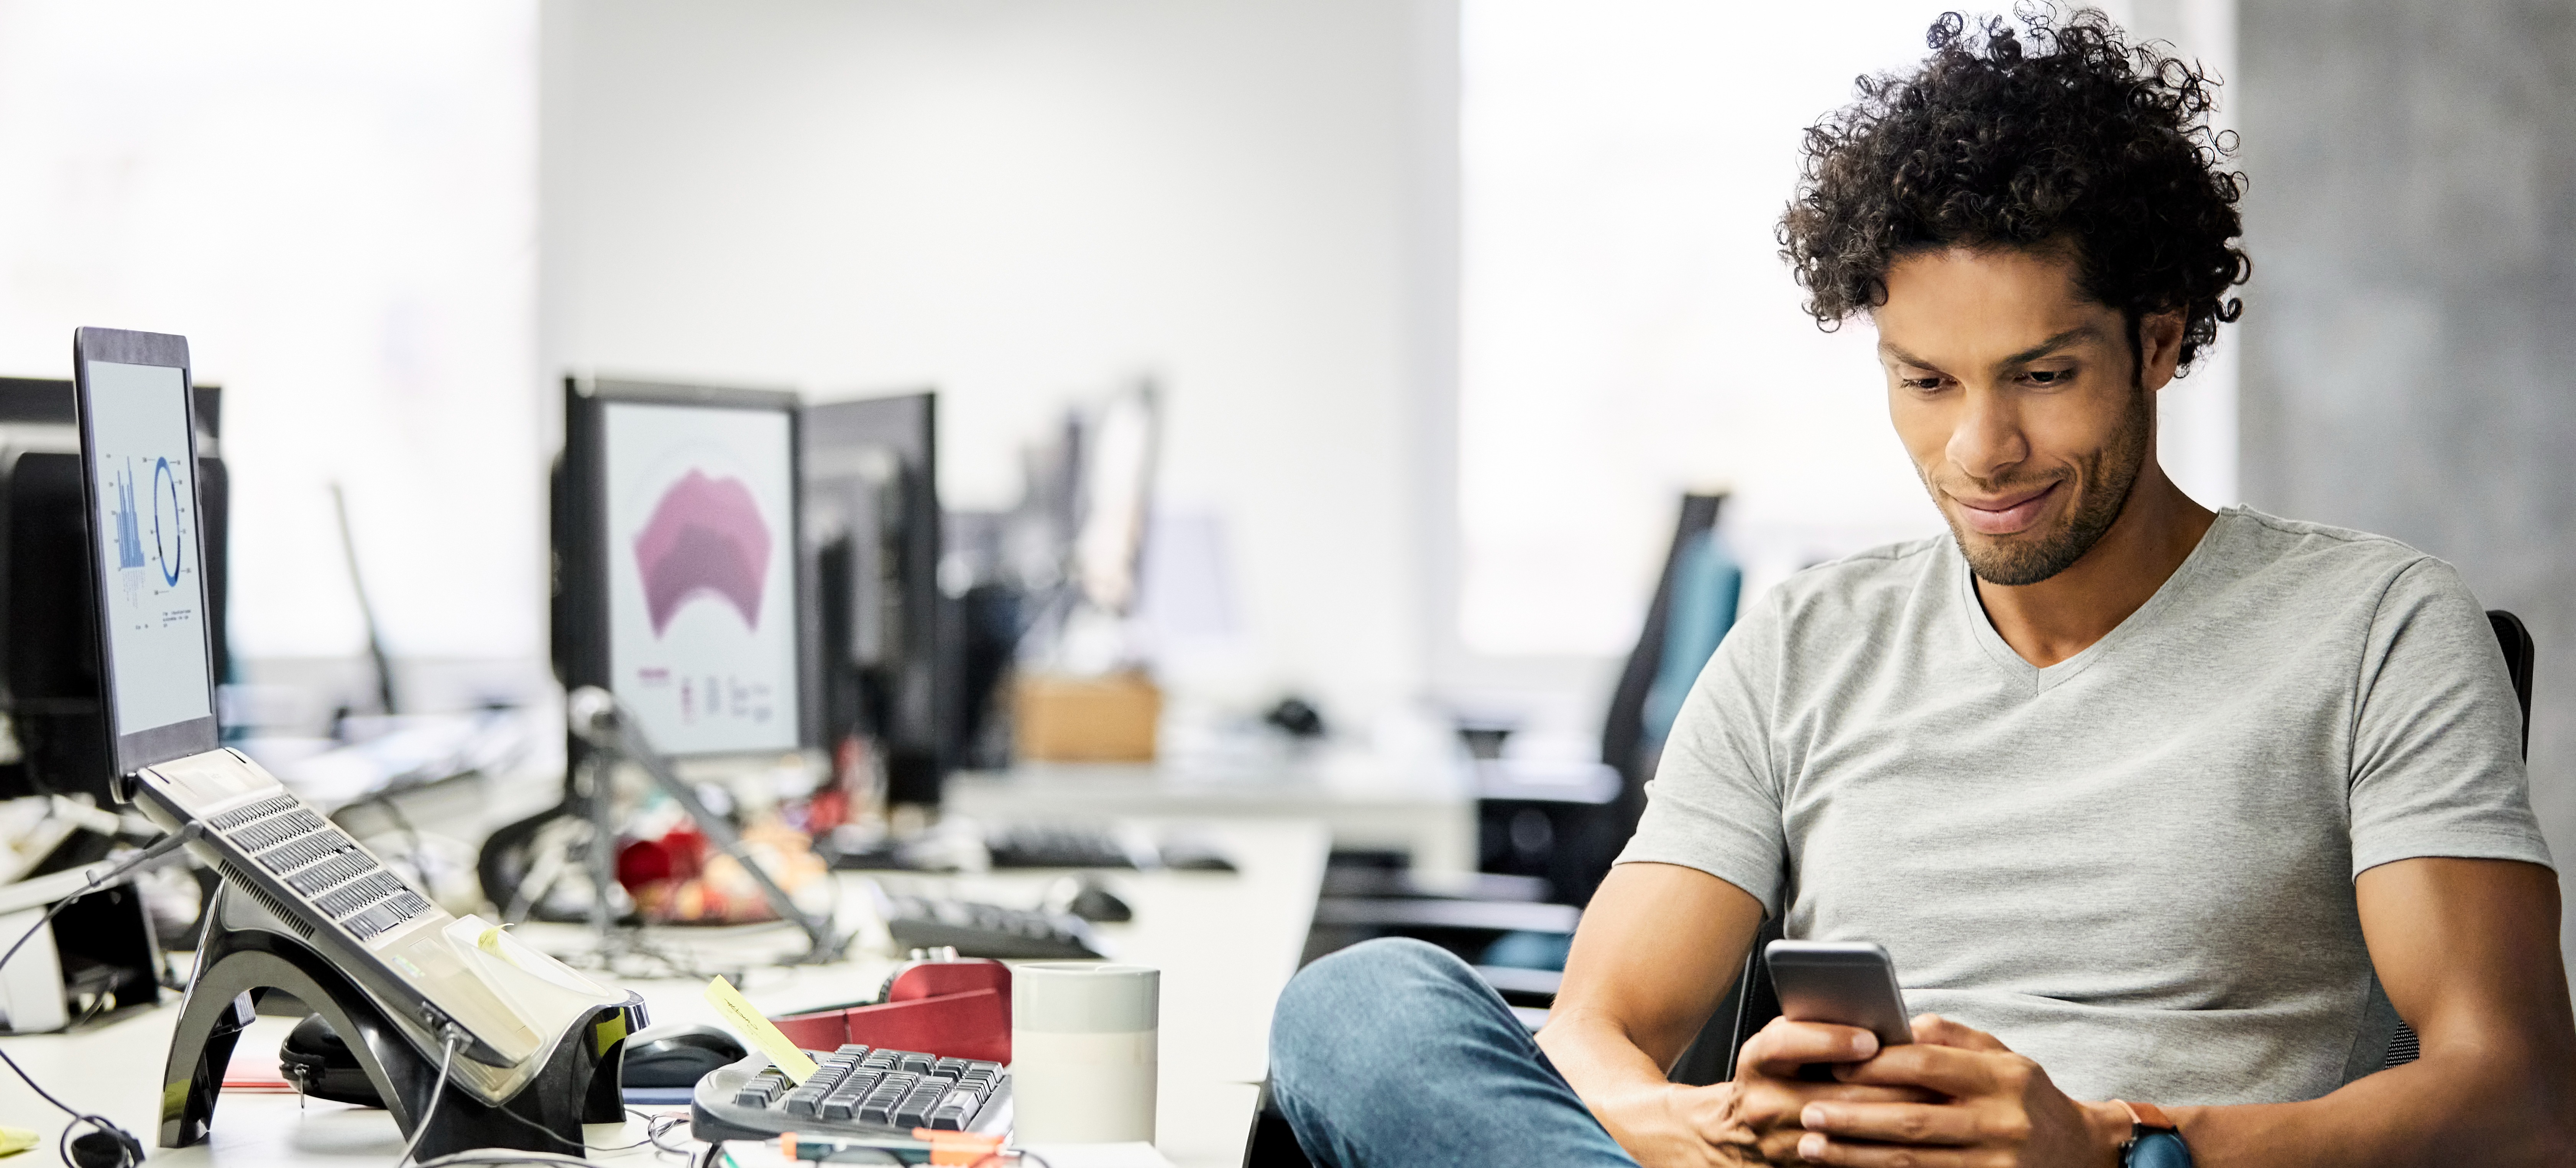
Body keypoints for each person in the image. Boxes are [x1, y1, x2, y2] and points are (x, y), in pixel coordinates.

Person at [1267, 8, 2576, 1167]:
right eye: (1927, 381)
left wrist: (2112, 1149)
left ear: (2160, 342)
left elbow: (2515, 1099)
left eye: (2043, 376)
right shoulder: (1805, 645)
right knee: (1358, 1004)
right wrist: (1711, 1125)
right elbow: (1599, 1031)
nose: (1979, 452)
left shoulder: (2379, 628)